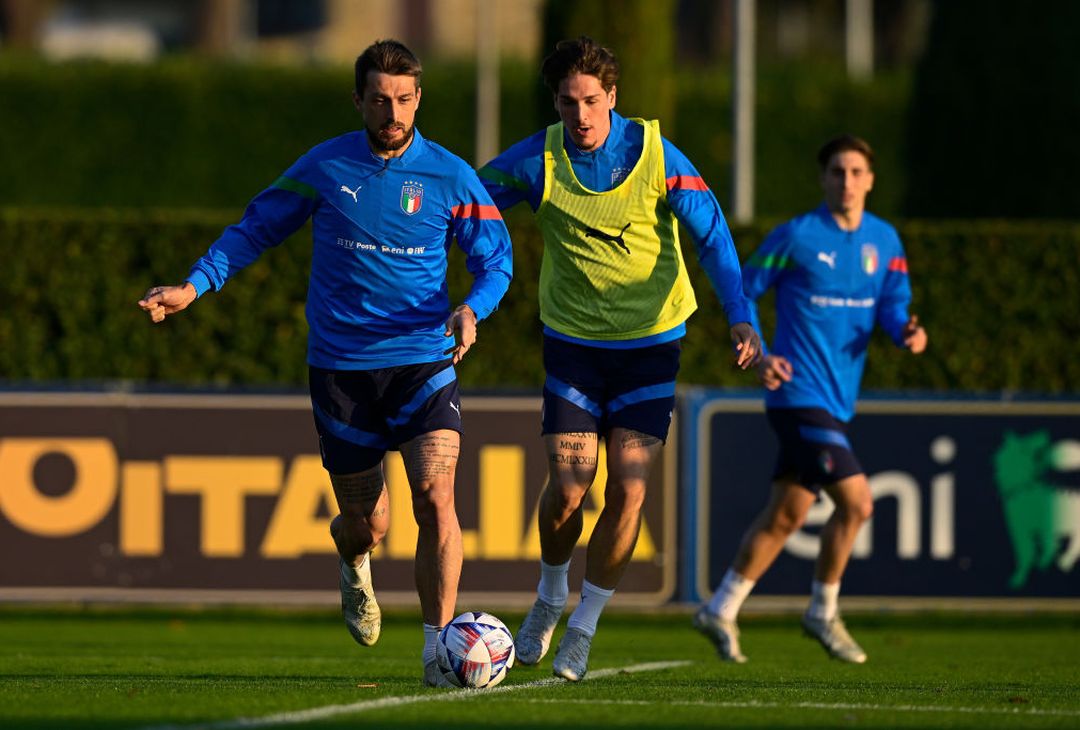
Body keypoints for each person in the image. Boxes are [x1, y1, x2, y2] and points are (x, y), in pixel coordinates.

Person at [137, 39, 513, 687]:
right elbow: (254, 228)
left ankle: (435, 651)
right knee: (367, 523)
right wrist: (193, 286)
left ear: (418, 98)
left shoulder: (451, 176)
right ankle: (354, 563)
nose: (392, 111)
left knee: (436, 495)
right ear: (358, 100)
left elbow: (496, 260)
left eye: (403, 99)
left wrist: (473, 309)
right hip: (341, 370)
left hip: (424, 362)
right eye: (379, 99)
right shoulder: (324, 165)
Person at [478, 36, 760, 681]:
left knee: (630, 489)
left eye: (591, 101)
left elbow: (712, 235)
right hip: (574, 347)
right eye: (567, 102)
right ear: (556, 102)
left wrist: (740, 314)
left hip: (650, 347)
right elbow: (465, 204)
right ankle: (551, 594)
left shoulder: (659, 157)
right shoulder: (534, 161)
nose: (580, 115)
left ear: (613, 98)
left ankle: (584, 625)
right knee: (570, 491)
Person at [694, 134, 928, 664]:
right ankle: (823, 610)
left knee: (787, 515)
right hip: (795, 394)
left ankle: (721, 606)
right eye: (837, 172)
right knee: (858, 502)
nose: (846, 182)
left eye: (855, 173)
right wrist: (760, 350)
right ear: (823, 180)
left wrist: (906, 331)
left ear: (870, 180)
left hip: (837, 401)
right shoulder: (797, 236)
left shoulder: (885, 242)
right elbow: (742, 289)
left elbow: (894, 305)